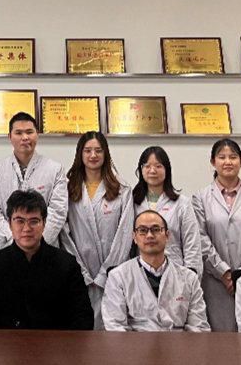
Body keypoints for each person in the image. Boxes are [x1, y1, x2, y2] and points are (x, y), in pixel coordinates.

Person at [0, 190, 93, 330]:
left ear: (44, 223)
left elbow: (83, 319)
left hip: (53, 343)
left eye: (34, 221)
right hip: (5, 343)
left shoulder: (67, 264)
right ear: (9, 224)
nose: (26, 228)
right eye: (20, 221)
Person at [192, 138, 241, 332]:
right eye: (222, 157)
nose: (228, 162)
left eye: (233, 157)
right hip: (214, 279)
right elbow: (200, 238)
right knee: (219, 336)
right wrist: (224, 272)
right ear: (213, 162)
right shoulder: (200, 198)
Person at [60, 131, 134, 329]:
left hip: (113, 270)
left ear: (105, 154)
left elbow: (125, 234)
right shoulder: (67, 188)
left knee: (113, 327)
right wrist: (79, 270)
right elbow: (64, 234)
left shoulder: (122, 188)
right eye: (88, 150)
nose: (93, 155)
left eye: (98, 150)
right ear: (80, 154)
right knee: (81, 328)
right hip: (79, 269)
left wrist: (108, 271)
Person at [101, 210, 209, 332]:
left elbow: (198, 327)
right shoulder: (118, 277)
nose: (149, 235)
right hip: (135, 343)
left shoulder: (189, 278)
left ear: (167, 235)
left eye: (156, 229)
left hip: (178, 342)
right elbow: (115, 327)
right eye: (142, 230)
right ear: (134, 237)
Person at [0, 112, 68, 251]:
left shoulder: (55, 170)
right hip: (5, 249)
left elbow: (58, 212)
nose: (25, 137)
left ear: (37, 135)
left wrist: (36, 242)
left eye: (29, 132)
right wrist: (14, 242)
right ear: (10, 137)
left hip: (44, 250)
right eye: (18, 133)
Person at [130, 146, 202, 274]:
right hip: (140, 272)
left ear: (167, 170)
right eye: (147, 166)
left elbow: (192, 245)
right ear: (141, 170)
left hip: (175, 271)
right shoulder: (132, 203)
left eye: (158, 166)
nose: (152, 170)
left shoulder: (182, 203)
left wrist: (191, 277)